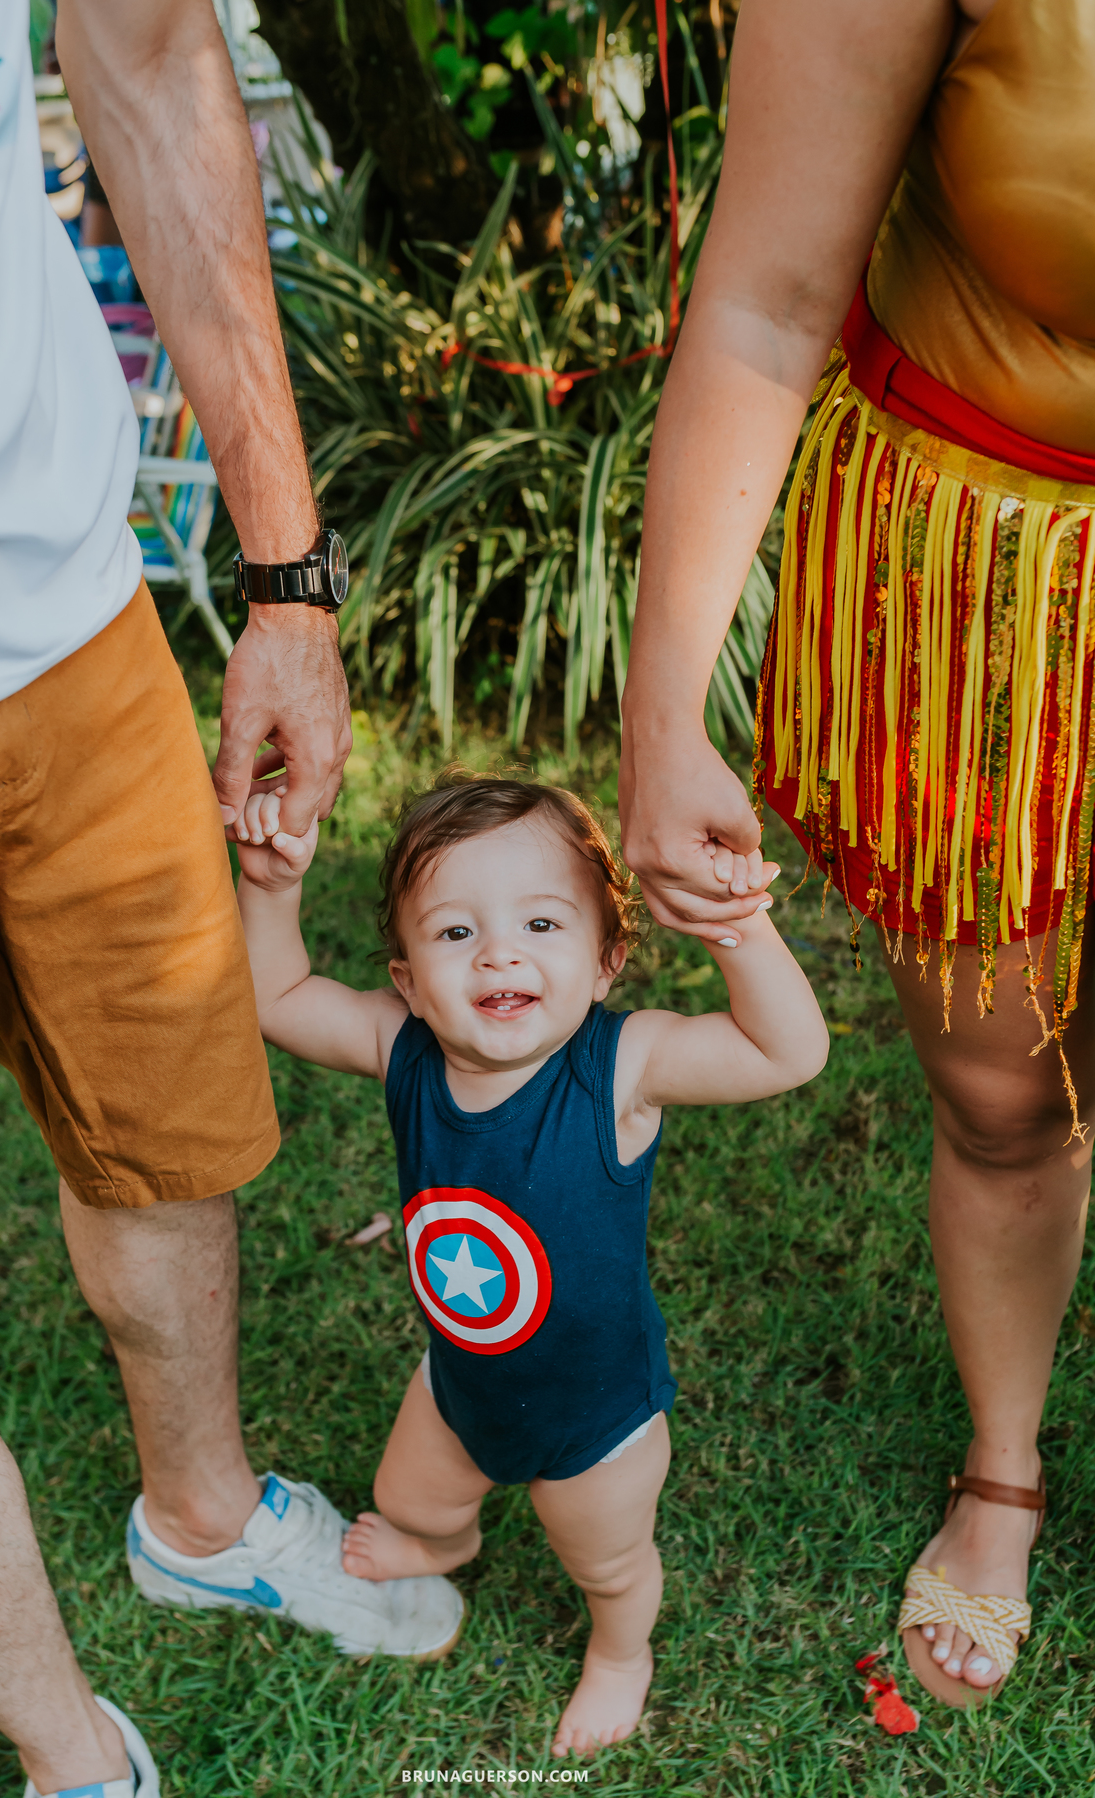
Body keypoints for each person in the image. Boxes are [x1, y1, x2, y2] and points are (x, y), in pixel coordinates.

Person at [0, 0, 461, 1791]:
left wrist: (285, 574)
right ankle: (80, 1756)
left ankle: (201, 1514)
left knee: (172, 1101)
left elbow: (144, 51)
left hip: (72, 600)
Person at [618, 0, 1095, 1710]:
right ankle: (1005, 1461)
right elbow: (763, 301)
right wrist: (664, 704)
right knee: (1003, 1091)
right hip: (984, 576)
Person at [231, 771, 828, 1753]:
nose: (499, 950)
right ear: (409, 979)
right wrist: (269, 886)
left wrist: (736, 927)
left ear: (606, 960)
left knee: (607, 1558)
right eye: (456, 932)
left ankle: (620, 1651)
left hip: (598, 1419)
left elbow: (786, 1052)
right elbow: (279, 996)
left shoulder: (620, 1069)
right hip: (459, 1383)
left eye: (543, 925)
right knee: (410, 1498)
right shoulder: (406, 1049)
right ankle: (445, 1540)